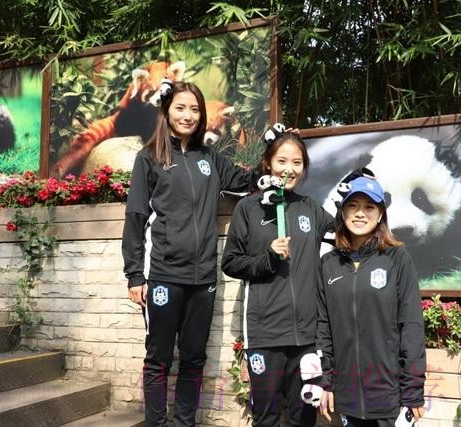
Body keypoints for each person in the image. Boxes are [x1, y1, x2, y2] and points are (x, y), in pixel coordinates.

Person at [122, 80, 257, 427]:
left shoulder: (210, 159)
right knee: (159, 359)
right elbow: (136, 216)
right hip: (163, 275)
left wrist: (276, 151)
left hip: (203, 278)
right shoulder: (149, 158)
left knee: (194, 358)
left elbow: (249, 182)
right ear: (167, 112)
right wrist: (135, 274)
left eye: (195, 109)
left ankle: (184, 422)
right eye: (181, 108)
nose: (188, 115)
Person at [221, 128, 334, 427]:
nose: (289, 169)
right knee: (266, 417)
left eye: (297, 162)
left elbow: (346, 234)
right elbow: (230, 263)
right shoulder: (248, 208)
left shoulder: (310, 208)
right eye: (282, 161)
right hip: (265, 334)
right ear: (268, 163)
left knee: (304, 416)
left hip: (306, 337)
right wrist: (268, 258)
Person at [315, 174, 426, 427]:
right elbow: (323, 327)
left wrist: (413, 389)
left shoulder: (397, 259)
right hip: (347, 395)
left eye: (369, 207)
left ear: (380, 215)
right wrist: (325, 381)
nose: (360, 214)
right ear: (343, 212)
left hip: (389, 396)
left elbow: (411, 325)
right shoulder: (328, 264)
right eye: (352, 206)